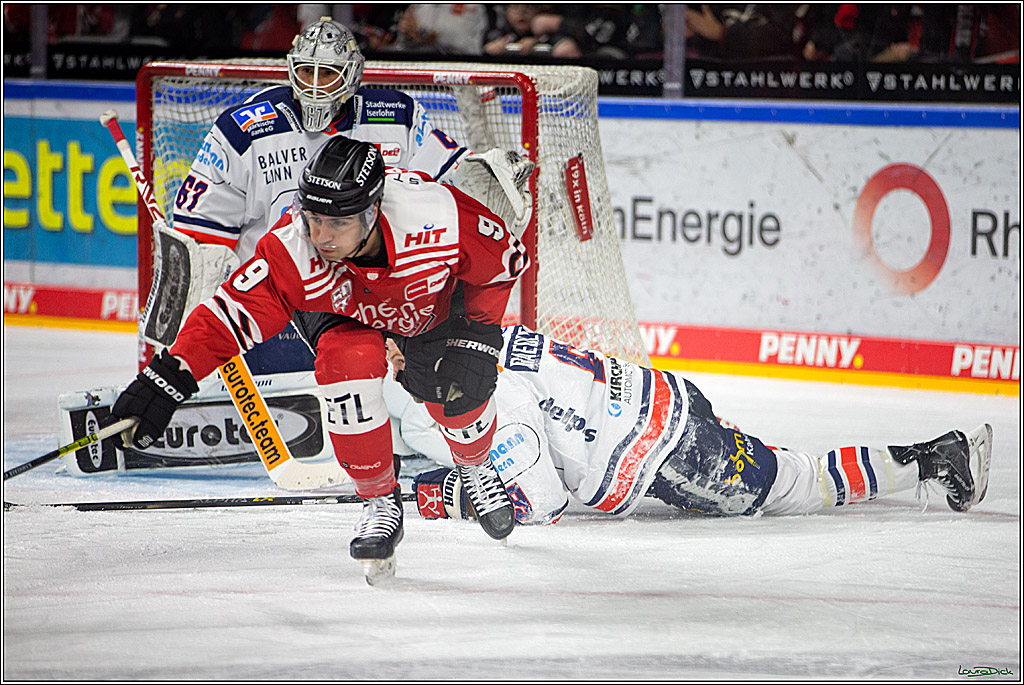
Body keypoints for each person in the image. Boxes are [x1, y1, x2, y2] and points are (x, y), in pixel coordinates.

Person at [111, 137, 530, 582]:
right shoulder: (294, 247)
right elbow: (230, 316)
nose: (321, 237)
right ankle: (379, 501)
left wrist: (478, 332)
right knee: (345, 367)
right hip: (343, 312)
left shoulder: (438, 217)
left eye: (338, 222)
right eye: (312, 218)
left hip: (428, 304)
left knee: (457, 395)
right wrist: (169, 376)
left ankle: (476, 466)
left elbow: (505, 263)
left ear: (372, 211)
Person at [155, 16, 532, 374]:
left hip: (380, 297)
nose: (316, 85)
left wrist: (488, 178)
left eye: (329, 73)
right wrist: (192, 318)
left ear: (351, 74)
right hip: (283, 299)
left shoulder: (396, 116)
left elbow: (447, 192)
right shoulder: (242, 130)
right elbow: (200, 240)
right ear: (291, 69)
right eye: (307, 71)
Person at [395, 326, 992, 524]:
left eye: (396, 359)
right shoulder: (474, 334)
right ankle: (927, 457)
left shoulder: (475, 389)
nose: (394, 370)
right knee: (779, 469)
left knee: (792, 485)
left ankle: (938, 455)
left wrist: (449, 496)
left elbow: (542, 503)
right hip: (663, 406)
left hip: (671, 451)